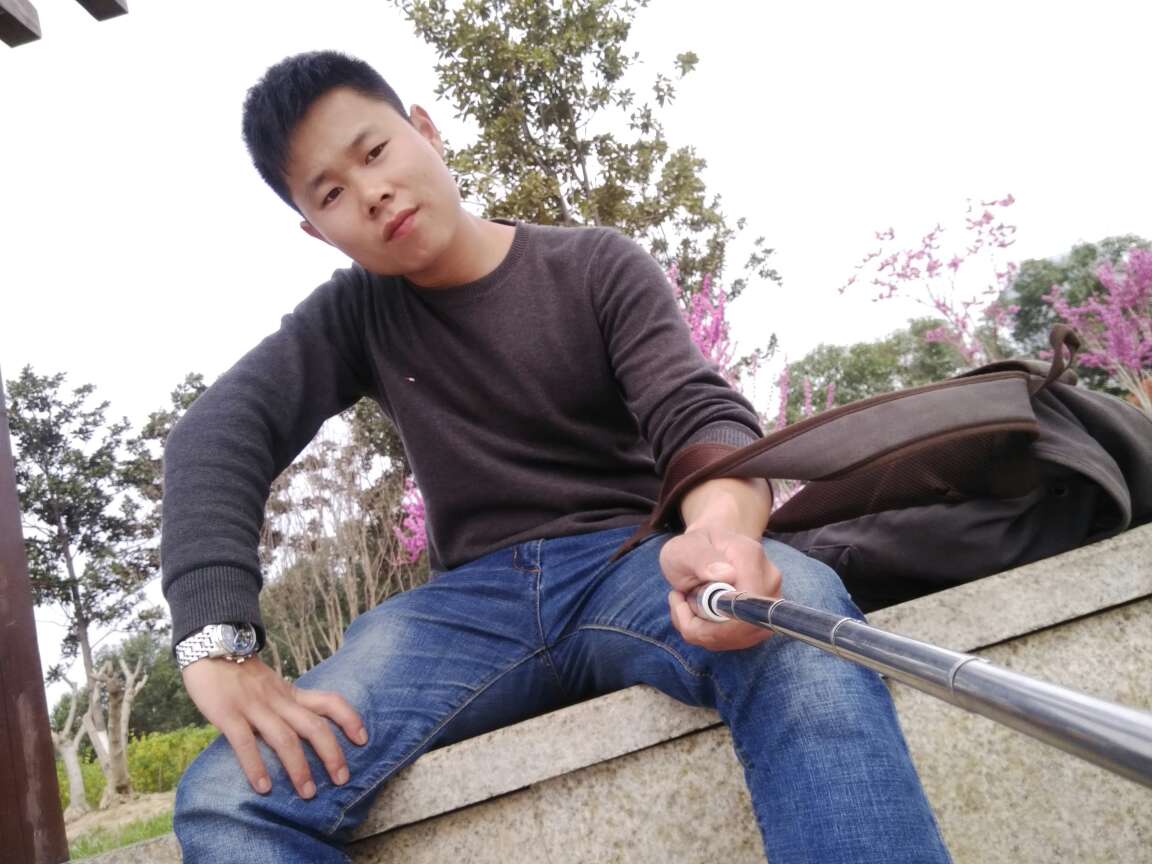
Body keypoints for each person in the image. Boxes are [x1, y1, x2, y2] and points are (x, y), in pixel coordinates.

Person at [164, 50, 951, 863]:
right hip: (467, 614)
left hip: (628, 565)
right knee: (229, 797)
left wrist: (720, 534)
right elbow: (215, 435)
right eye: (330, 193)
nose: (371, 193)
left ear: (425, 130)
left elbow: (697, 410)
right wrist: (216, 646)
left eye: (375, 151)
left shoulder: (595, 265)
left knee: (797, 621)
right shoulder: (351, 315)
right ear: (314, 229)